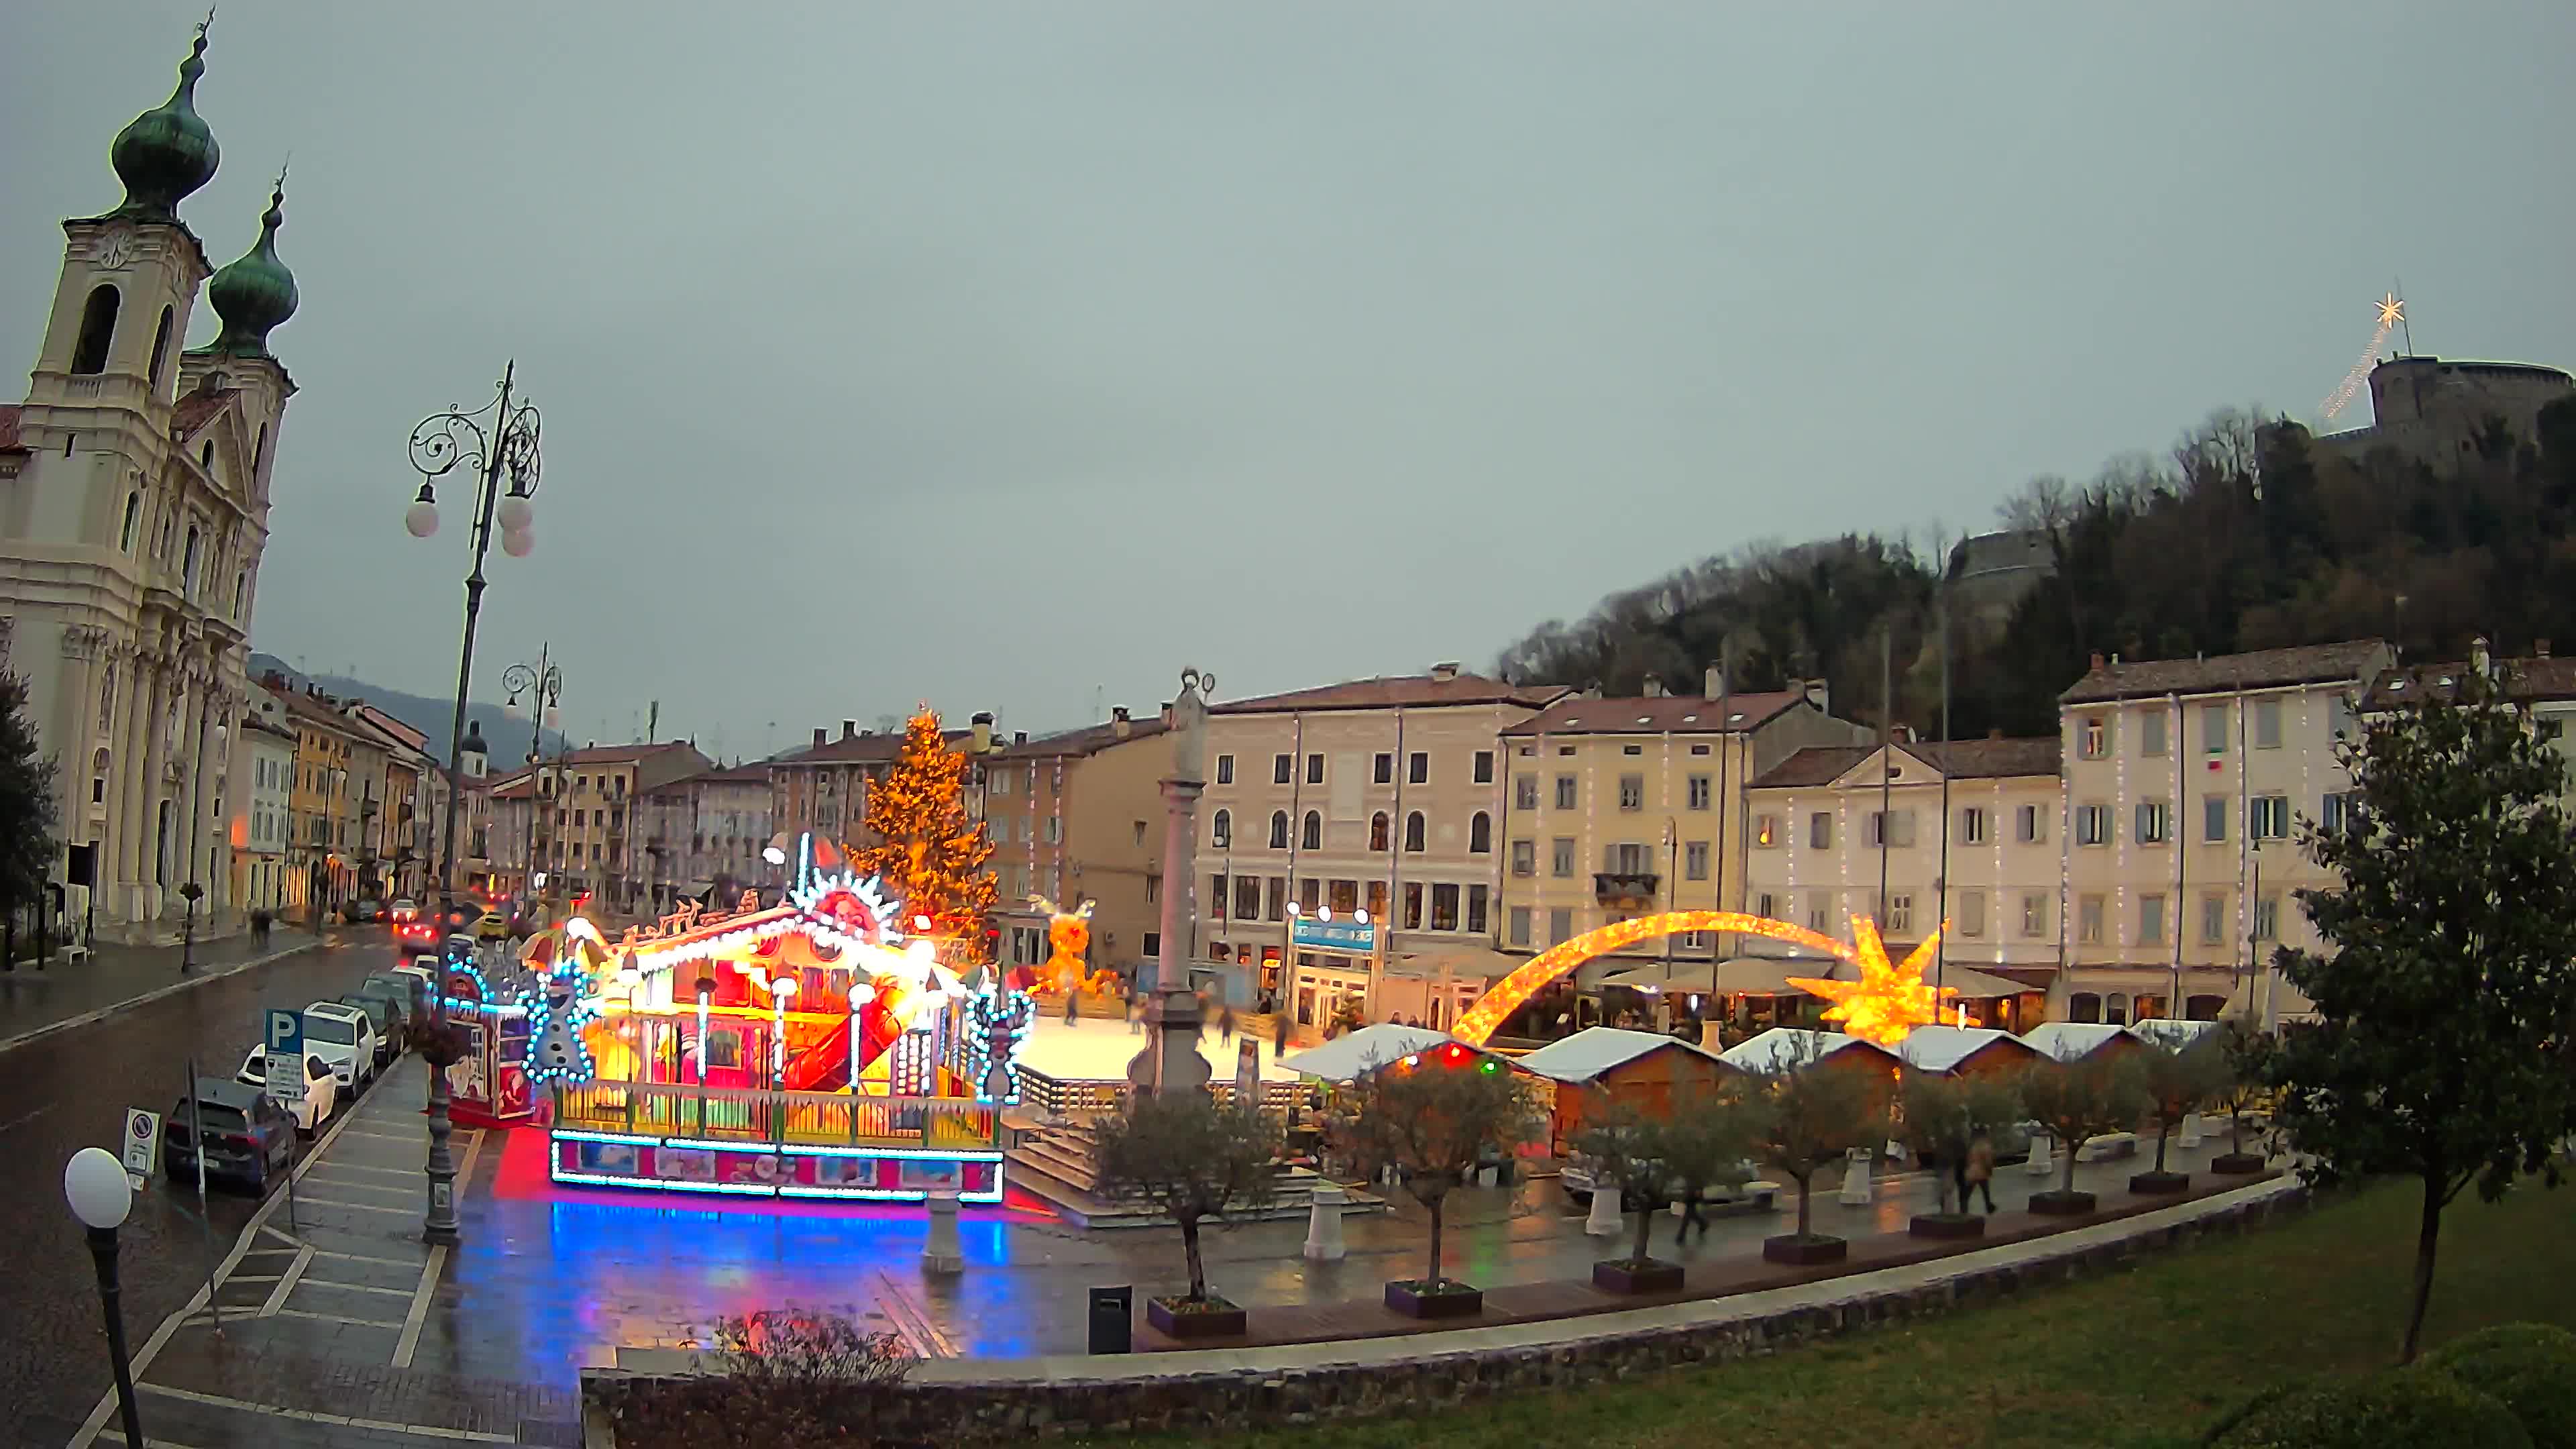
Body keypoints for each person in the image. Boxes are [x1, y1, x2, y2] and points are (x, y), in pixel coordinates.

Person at [1964, 1126, 1998, 1214]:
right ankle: (1989, 1206)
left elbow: (1969, 1158)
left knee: (1970, 1190)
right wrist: (1990, 1169)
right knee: (1985, 1190)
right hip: (1982, 1171)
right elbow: (1987, 1159)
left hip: (1973, 1170)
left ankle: (1964, 1207)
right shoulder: (1985, 1145)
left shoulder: (1973, 1145)